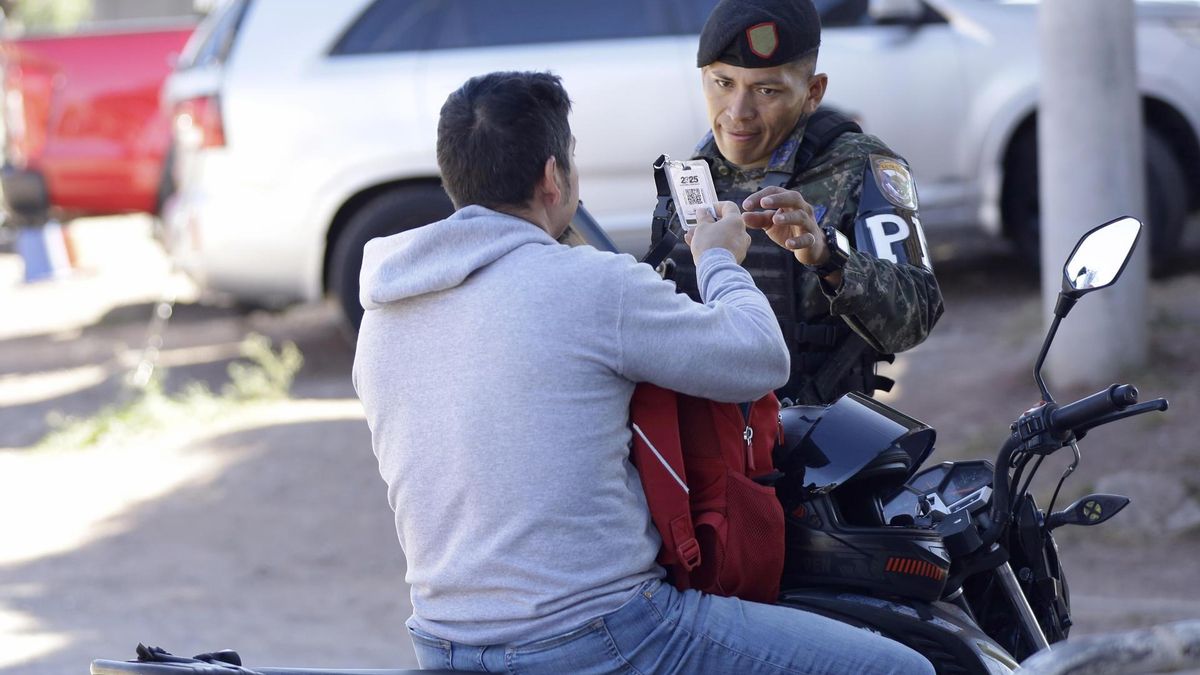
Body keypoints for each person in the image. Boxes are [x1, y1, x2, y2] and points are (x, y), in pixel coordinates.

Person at [353, 71, 932, 674]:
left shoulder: (385, 309)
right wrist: (717, 258)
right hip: (599, 634)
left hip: (444, 642)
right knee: (902, 670)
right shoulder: (589, 284)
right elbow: (760, 357)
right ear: (554, 177)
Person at [652, 0, 945, 405]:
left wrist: (827, 255)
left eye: (766, 90)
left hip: (817, 443)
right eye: (723, 83)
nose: (738, 113)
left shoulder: (861, 165)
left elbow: (918, 313)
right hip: (712, 443)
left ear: (812, 92)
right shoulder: (694, 174)